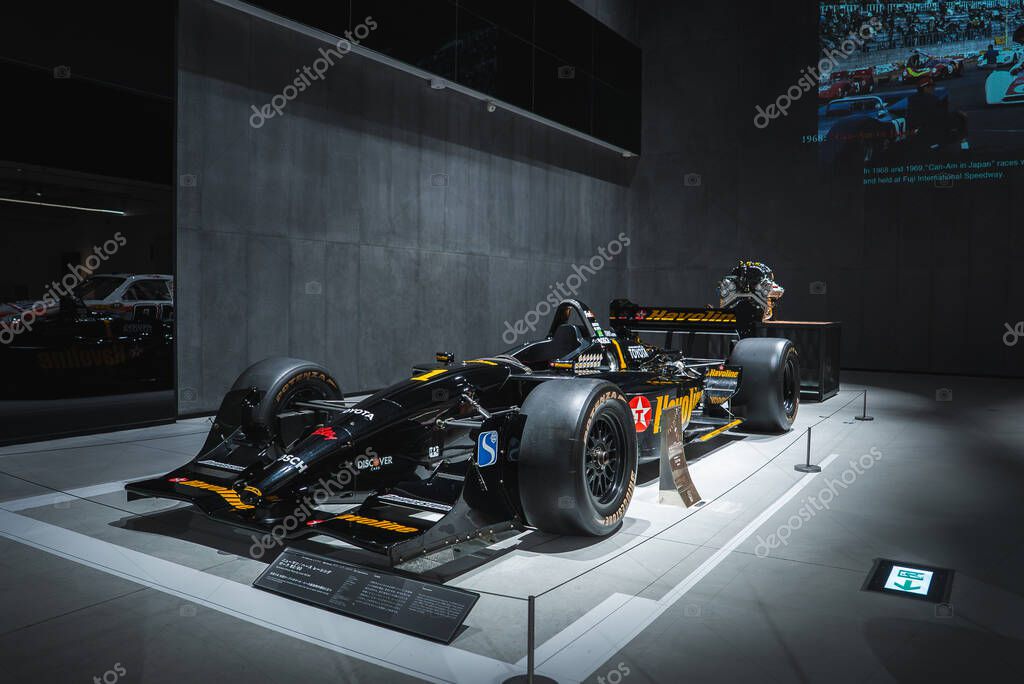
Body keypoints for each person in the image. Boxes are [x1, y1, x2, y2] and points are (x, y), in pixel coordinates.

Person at [908, 76, 969, 151]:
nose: (933, 89)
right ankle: (965, 149)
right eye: (931, 86)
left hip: (917, 132)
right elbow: (942, 117)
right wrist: (958, 114)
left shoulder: (912, 99)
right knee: (960, 119)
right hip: (931, 133)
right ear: (925, 88)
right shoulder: (932, 99)